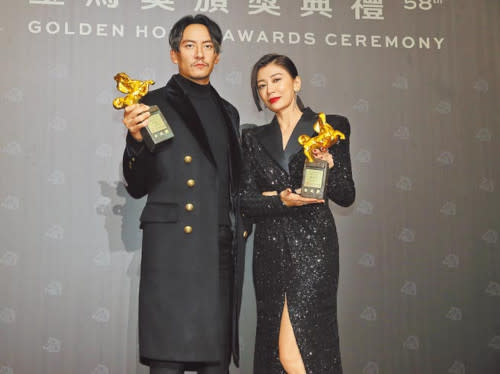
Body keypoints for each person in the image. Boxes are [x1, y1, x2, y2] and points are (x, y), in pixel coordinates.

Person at [121, 14, 248, 374]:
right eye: (190, 46)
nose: (200, 54)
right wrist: (134, 141)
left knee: (215, 364)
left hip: (216, 252)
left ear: (218, 56)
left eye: (208, 46)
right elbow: (137, 183)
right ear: (175, 53)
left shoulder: (229, 112)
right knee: (167, 362)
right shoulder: (152, 102)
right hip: (173, 255)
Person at [240, 53, 355, 374]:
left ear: (296, 82)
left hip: (314, 251)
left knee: (296, 350)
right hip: (270, 254)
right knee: (275, 356)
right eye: (261, 85)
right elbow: (245, 202)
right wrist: (281, 200)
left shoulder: (330, 126)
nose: (269, 89)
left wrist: (330, 166)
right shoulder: (252, 138)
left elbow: (346, 195)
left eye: (276, 79)